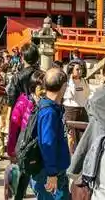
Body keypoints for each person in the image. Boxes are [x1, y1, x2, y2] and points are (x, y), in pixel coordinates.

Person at [32, 67, 71, 200]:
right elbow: (47, 143)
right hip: (50, 172)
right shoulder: (49, 112)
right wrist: (52, 173)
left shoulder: (46, 105)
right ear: (63, 86)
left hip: (51, 170)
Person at [8, 69, 45, 200]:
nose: (44, 90)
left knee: (40, 184)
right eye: (41, 86)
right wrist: (11, 150)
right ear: (33, 87)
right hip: (25, 148)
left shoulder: (46, 103)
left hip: (41, 147)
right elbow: (14, 128)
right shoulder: (23, 102)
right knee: (21, 182)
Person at [62, 60, 90, 154]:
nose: (80, 71)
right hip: (71, 110)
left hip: (82, 109)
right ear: (71, 70)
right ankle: (71, 154)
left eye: (80, 69)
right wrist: (72, 81)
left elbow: (87, 94)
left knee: (83, 134)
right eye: (77, 69)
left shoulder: (84, 81)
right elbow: (71, 95)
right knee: (71, 136)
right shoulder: (67, 83)